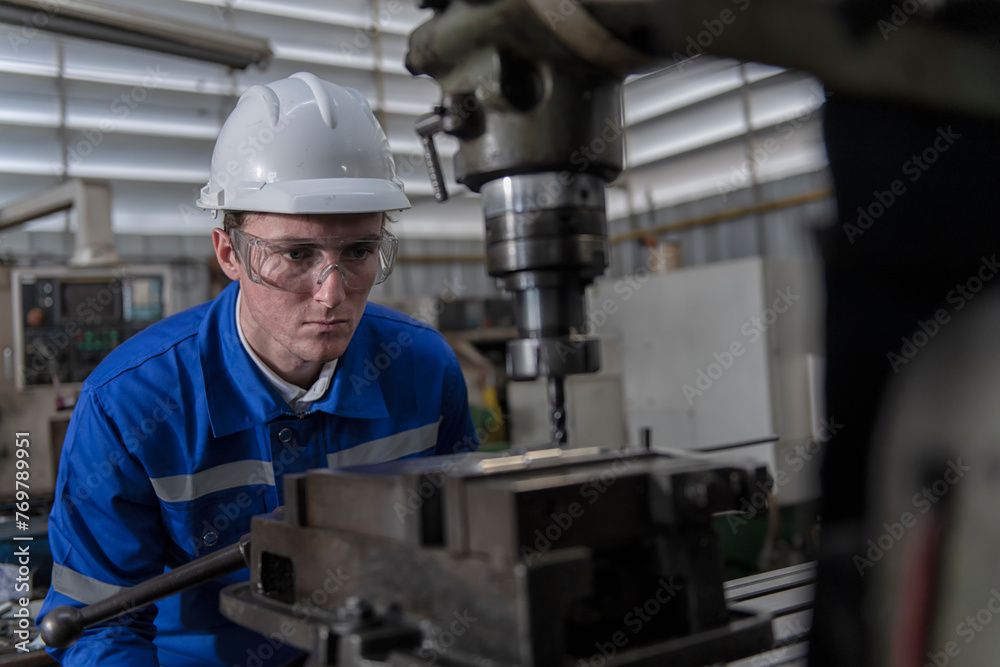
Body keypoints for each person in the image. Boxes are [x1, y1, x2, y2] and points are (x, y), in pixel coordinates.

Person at [38, 72, 479, 666]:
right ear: (229, 252)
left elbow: (463, 562)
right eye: (296, 254)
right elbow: (98, 627)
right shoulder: (130, 405)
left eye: (358, 252)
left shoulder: (423, 370)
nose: (331, 294)